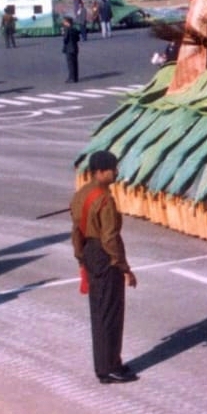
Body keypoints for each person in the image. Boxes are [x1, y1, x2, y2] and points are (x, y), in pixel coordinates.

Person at [71, 150, 138, 384]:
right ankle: (108, 367)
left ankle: (108, 363)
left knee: (99, 313)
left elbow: (76, 230)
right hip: (105, 256)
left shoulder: (81, 194)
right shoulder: (105, 200)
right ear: (100, 172)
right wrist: (125, 268)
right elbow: (110, 238)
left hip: (90, 252)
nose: (116, 172)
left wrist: (81, 257)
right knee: (110, 314)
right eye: (112, 169)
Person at [62, 16, 81, 83]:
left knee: (70, 64)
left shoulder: (67, 29)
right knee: (75, 63)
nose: (63, 23)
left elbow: (65, 39)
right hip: (75, 47)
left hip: (69, 48)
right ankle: (75, 77)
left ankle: (71, 77)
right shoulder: (74, 29)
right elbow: (78, 39)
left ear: (67, 22)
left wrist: (63, 34)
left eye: (64, 21)